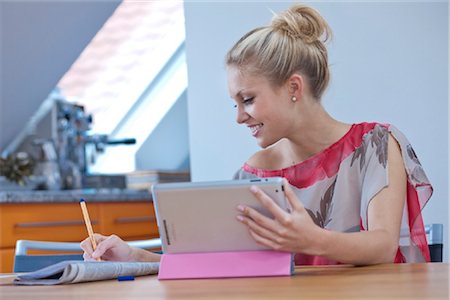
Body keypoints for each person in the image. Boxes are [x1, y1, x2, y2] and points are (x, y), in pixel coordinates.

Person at [81, 4, 432, 265]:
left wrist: (312, 239)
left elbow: (384, 246)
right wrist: (133, 256)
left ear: (294, 87)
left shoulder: (375, 145)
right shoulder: (255, 173)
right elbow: (222, 263)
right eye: (234, 103)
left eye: (247, 99)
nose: (238, 117)